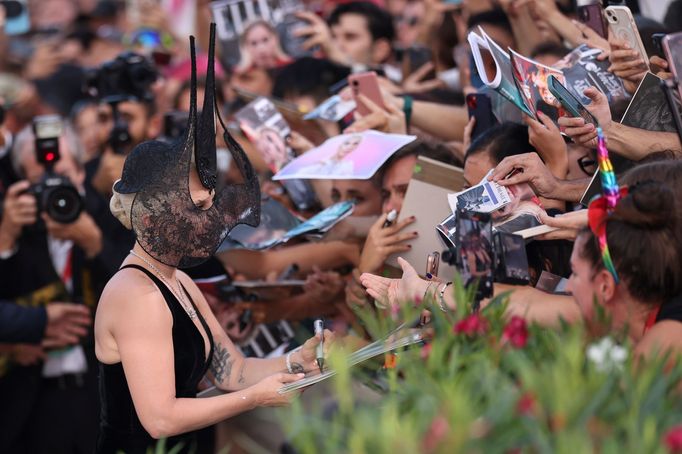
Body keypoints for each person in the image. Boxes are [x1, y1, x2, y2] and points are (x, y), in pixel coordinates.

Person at [94, 30, 332, 453]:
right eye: (192, 192)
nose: (208, 196)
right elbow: (159, 417)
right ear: (154, 212)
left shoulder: (176, 281)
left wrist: (300, 359)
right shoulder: (136, 295)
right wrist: (255, 399)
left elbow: (232, 371)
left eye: (205, 186)